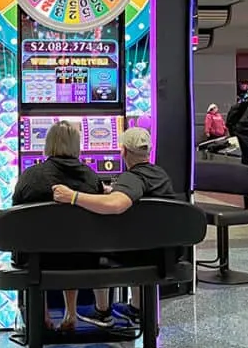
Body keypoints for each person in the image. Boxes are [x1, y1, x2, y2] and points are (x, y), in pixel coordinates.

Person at [52, 126, 176, 325]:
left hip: (137, 255)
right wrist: (115, 190)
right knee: (132, 239)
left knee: (98, 244)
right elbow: (136, 196)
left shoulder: (132, 177)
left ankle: (102, 312)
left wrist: (73, 196)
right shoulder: (160, 174)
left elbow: (116, 205)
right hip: (162, 252)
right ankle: (135, 309)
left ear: (124, 151)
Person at [12, 120, 105, 331]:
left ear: (48, 144)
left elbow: (16, 216)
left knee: (40, 245)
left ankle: (42, 317)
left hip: (37, 259)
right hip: (83, 257)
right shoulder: (91, 177)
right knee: (71, 243)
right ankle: (70, 313)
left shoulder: (31, 176)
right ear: (77, 145)